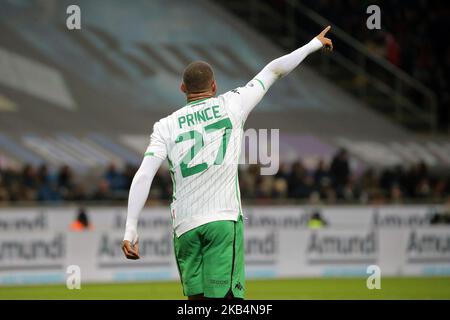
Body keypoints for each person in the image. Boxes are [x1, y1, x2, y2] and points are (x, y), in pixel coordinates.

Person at [121, 27, 333, 300]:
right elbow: (273, 71)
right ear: (214, 86)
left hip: (185, 227)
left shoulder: (165, 127)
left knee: (196, 304)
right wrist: (312, 44)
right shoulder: (232, 105)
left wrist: (131, 228)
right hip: (222, 220)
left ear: (183, 88)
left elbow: (144, 175)